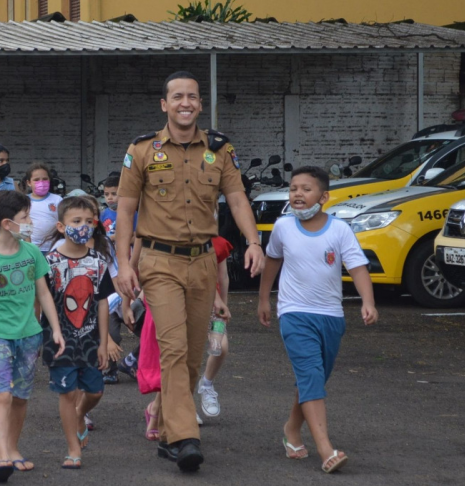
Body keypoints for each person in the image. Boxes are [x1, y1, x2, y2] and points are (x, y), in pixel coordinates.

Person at [113, 70, 264, 472]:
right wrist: (124, 263)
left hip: (203, 263)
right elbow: (125, 210)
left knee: (194, 353)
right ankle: (185, 438)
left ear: (199, 104)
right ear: (165, 104)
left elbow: (236, 198)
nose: (185, 102)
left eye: (192, 97)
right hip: (159, 262)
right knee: (174, 349)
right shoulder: (142, 150)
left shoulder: (219, 150)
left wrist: (253, 242)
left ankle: (165, 426)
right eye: (177, 96)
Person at [257, 166, 378, 474]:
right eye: (294, 188)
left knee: (314, 379)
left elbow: (357, 266)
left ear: (323, 197)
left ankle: (291, 429)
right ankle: (326, 449)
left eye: (306, 189)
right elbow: (272, 261)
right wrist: (263, 299)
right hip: (294, 314)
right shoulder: (283, 227)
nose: (298, 193)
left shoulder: (339, 229)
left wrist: (368, 301)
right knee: (310, 374)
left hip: (331, 316)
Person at [0, 190, 64, 483]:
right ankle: (2, 456)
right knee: (2, 395)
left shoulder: (32, 252)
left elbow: (44, 293)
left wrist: (55, 329)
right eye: (26, 217)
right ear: (8, 223)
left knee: (20, 397)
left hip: (30, 335)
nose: (31, 221)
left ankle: (13, 448)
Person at [42, 196, 115, 470]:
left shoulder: (98, 261)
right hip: (59, 341)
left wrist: (104, 341)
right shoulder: (48, 263)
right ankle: (73, 448)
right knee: (67, 393)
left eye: (88, 221)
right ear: (62, 226)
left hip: (91, 341)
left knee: (95, 391)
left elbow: (103, 303)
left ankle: (79, 415)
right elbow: (42, 302)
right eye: (76, 221)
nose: (83, 226)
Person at [197, 235, 233, 420]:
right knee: (183, 353)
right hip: (185, 302)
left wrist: (224, 304)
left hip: (213, 303)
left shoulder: (218, 243)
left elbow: (223, 275)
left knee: (220, 347)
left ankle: (207, 384)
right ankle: (184, 405)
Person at [22, 161, 63, 253]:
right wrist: (28, 246)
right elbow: (23, 224)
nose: (41, 182)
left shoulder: (57, 200)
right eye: (36, 180)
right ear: (29, 182)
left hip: (54, 248)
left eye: (45, 179)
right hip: (32, 248)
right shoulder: (24, 201)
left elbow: (64, 222)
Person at [99, 174, 137, 241]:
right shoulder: (102, 214)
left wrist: (114, 238)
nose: (109, 198)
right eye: (106, 194)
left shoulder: (132, 214)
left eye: (114, 194)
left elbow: (137, 238)